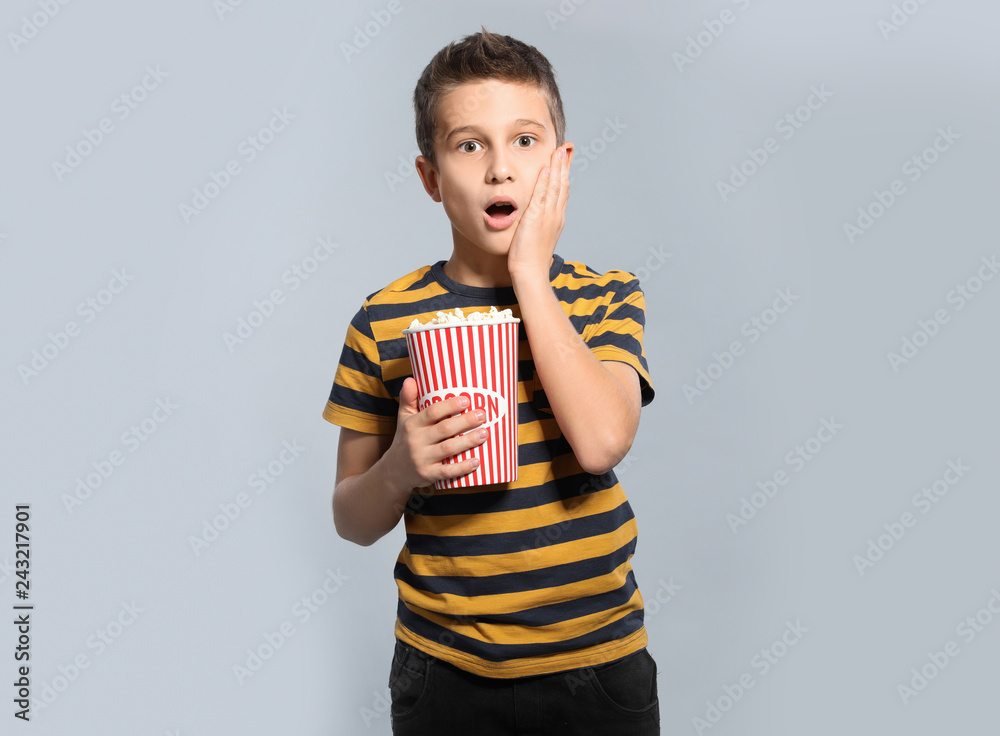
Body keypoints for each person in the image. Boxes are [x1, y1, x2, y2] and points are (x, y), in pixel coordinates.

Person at [323, 27, 659, 735]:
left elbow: (601, 442)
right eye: (470, 145)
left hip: (597, 666)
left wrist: (530, 276)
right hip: (445, 673)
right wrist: (400, 469)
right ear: (431, 176)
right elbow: (351, 519)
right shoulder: (383, 322)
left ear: (561, 165)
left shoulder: (606, 298)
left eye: (526, 141)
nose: (501, 169)